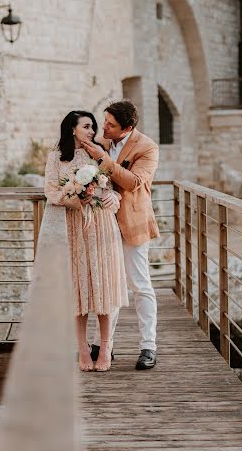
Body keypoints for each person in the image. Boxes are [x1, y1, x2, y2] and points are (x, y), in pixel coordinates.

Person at [44, 110, 128, 372]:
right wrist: (75, 199)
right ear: (72, 129)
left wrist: (115, 198)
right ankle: (82, 349)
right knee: (79, 290)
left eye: (93, 127)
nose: (92, 131)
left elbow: (113, 186)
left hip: (102, 224)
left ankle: (105, 348)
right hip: (73, 226)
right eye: (87, 126)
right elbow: (50, 191)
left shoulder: (100, 152)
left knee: (102, 286)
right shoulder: (56, 157)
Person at [81, 100, 159, 370]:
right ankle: (103, 345)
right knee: (107, 284)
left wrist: (103, 160)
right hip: (102, 224)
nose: (104, 127)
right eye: (105, 121)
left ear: (127, 127)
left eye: (111, 124)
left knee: (139, 285)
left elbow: (135, 182)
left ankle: (149, 346)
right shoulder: (102, 140)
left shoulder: (147, 147)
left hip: (132, 223)